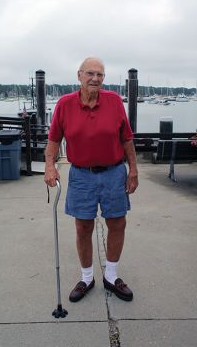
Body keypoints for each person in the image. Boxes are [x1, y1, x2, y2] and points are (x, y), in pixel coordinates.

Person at [44, 57, 138, 302]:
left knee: (117, 223)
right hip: (81, 176)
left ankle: (111, 275)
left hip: (114, 173)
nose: (95, 78)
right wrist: (50, 166)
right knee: (83, 226)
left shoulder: (115, 101)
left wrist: (133, 170)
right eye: (90, 74)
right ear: (79, 76)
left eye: (100, 75)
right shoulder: (64, 104)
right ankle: (87, 278)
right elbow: (54, 140)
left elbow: (127, 138)